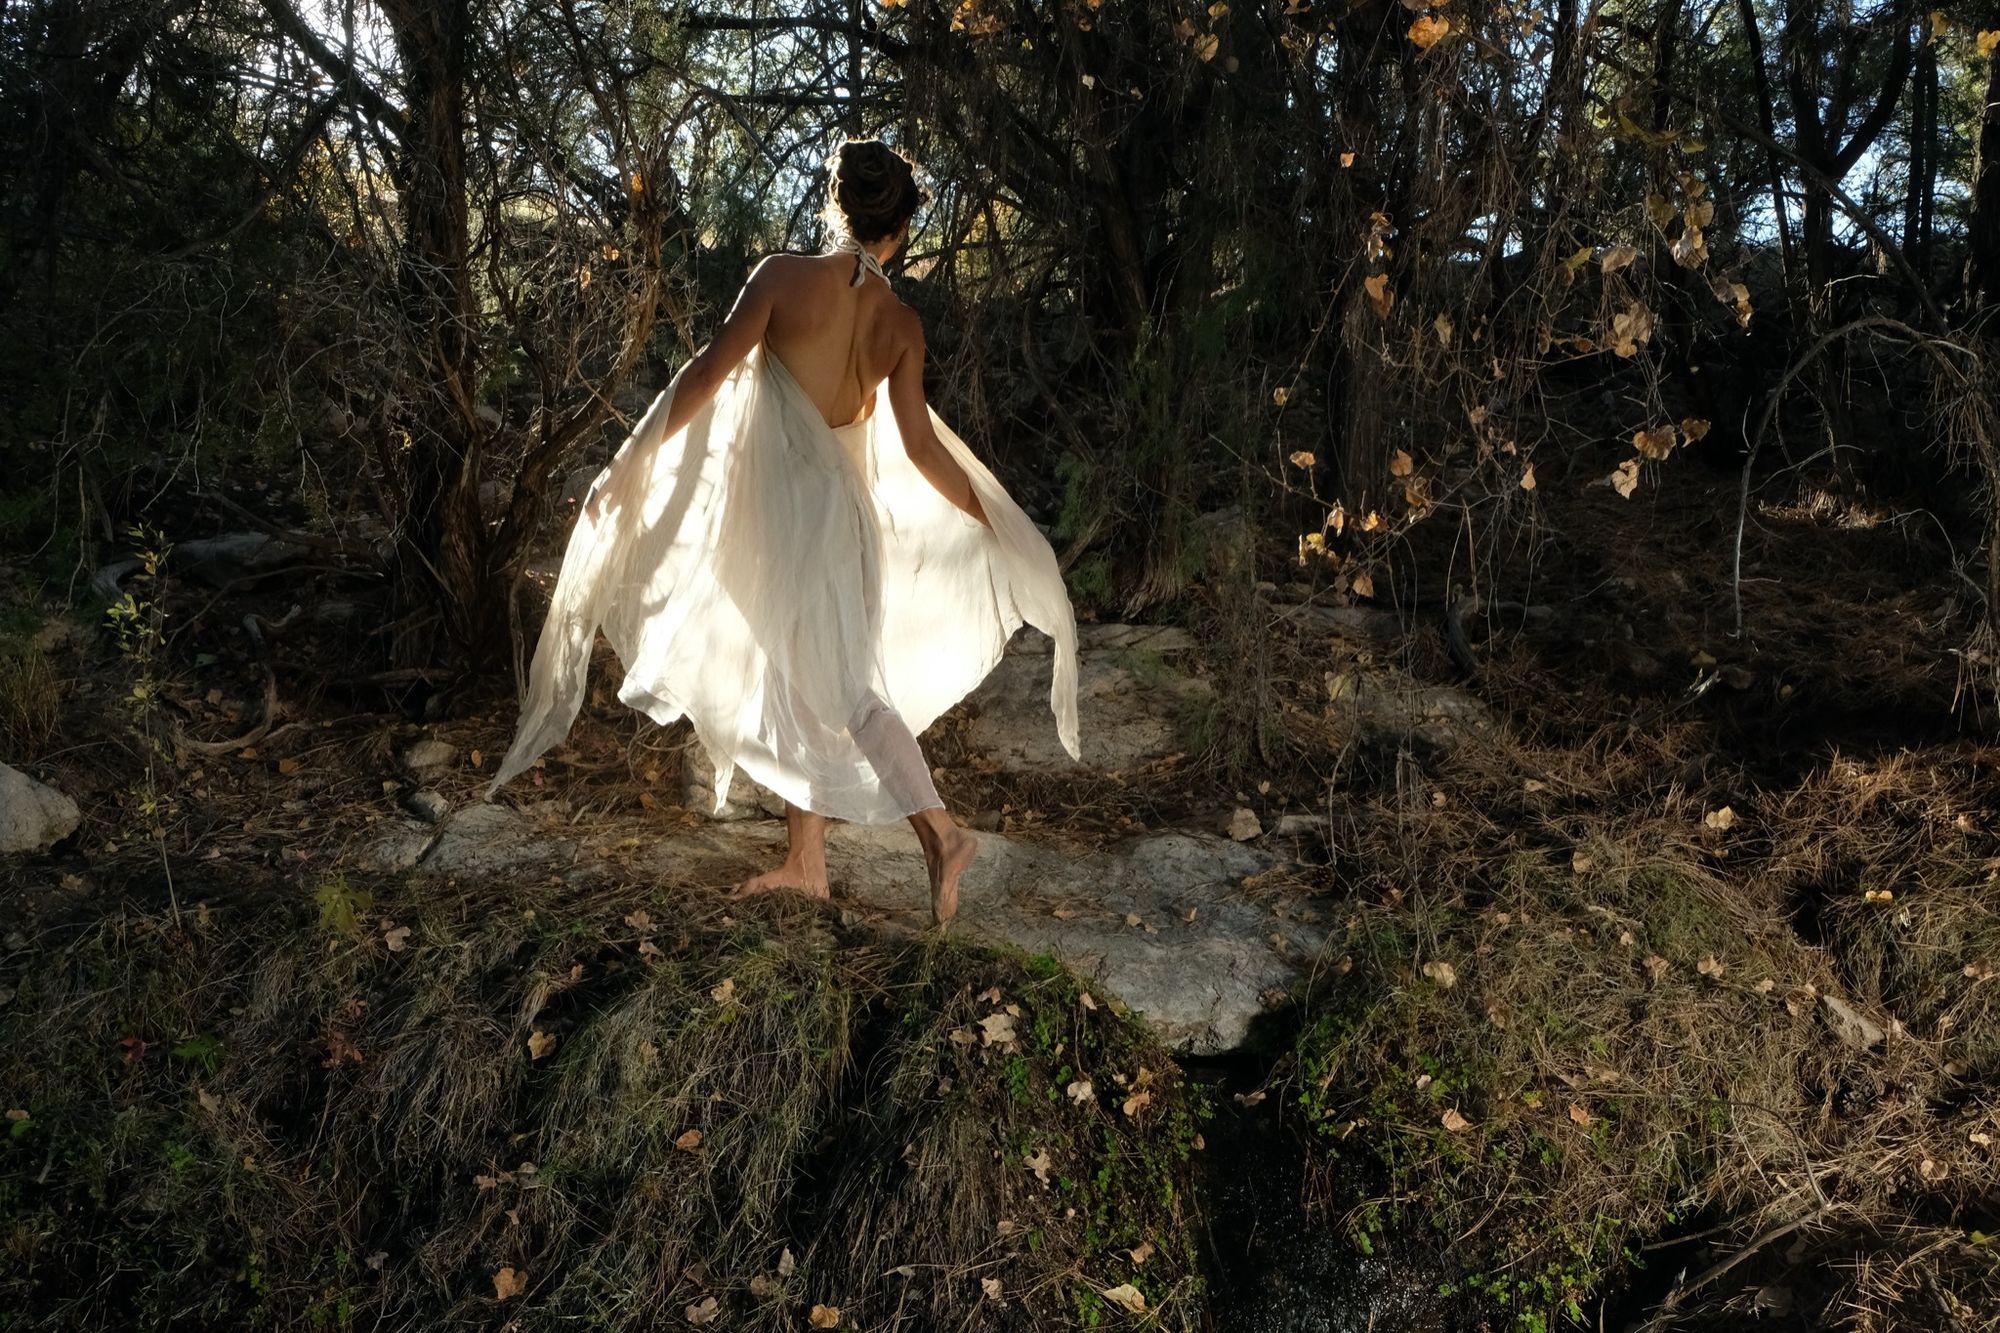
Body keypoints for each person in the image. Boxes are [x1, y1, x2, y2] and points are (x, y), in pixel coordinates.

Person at [487, 139, 1080, 926]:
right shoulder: (900, 323)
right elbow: (923, 449)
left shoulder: (781, 277)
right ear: (897, 230)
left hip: (790, 521)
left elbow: (703, 376)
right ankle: (807, 862)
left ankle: (941, 831)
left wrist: (626, 465)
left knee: (843, 690)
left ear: (836, 206)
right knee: (810, 683)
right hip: (848, 526)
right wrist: (988, 516)